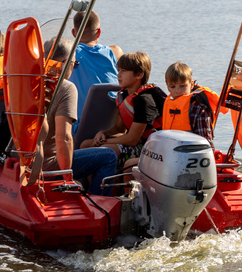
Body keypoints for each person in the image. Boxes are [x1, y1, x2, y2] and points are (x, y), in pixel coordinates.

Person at [38, 38, 118, 195]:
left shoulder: (26, 79)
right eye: (75, 64)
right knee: (109, 156)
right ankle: (96, 203)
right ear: (66, 62)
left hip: (23, 161)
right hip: (48, 164)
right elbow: (64, 138)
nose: (73, 69)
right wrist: (67, 179)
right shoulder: (66, 88)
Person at [81, 51, 166, 172]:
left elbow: (132, 139)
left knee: (104, 150)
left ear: (139, 75)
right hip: (135, 144)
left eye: (124, 71)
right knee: (86, 145)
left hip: (149, 149)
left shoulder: (144, 100)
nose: (118, 75)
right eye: (119, 70)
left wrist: (106, 142)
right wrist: (103, 133)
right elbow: (119, 129)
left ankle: (108, 189)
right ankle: (94, 188)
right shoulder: (124, 95)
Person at [69, 10, 123, 125]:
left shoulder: (69, 55)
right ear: (98, 32)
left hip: (80, 127)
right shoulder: (113, 52)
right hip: (111, 124)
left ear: (74, 33)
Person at [161, 62, 221, 149]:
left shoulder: (199, 110)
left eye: (182, 86)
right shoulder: (168, 104)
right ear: (167, 87)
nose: (177, 91)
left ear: (191, 84)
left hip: (192, 157)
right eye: (172, 86)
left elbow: (206, 145)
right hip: (170, 153)